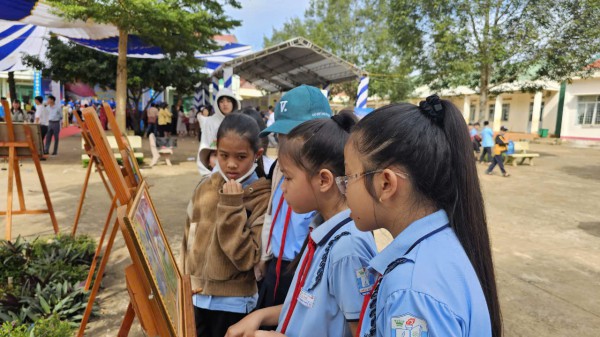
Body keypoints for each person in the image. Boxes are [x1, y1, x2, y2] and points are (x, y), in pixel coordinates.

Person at [343, 95, 501, 337]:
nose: (342, 188)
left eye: (348, 176)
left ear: (385, 183)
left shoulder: (410, 291)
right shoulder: (443, 244)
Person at [227, 111, 378, 337]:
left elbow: (362, 332)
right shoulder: (322, 232)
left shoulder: (348, 249)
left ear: (324, 180)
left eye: (288, 177)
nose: (282, 188)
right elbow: (308, 308)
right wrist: (258, 316)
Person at [181, 113, 271, 337]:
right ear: (215, 151)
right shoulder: (205, 187)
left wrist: (232, 206)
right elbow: (189, 237)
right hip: (195, 296)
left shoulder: (262, 197)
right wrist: (183, 281)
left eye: (241, 156)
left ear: (257, 154)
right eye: (224, 155)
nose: (231, 164)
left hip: (234, 305)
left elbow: (246, 258)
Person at [253, 85, 333, 314]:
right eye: (280, 135)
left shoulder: (329, 177)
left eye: (291, 135)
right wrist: (264, 255)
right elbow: (272, 212)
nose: (283, 142)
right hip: (274, 267)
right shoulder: (280, 166)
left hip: (302, 271)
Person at [197, 89, 240, 176]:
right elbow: (205, 144)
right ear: (217, 104)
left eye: (228, 101)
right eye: (221, 101)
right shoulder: (210, 122)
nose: (225, 104)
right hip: (216, 165)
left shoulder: (239, 121)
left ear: (234, 103)